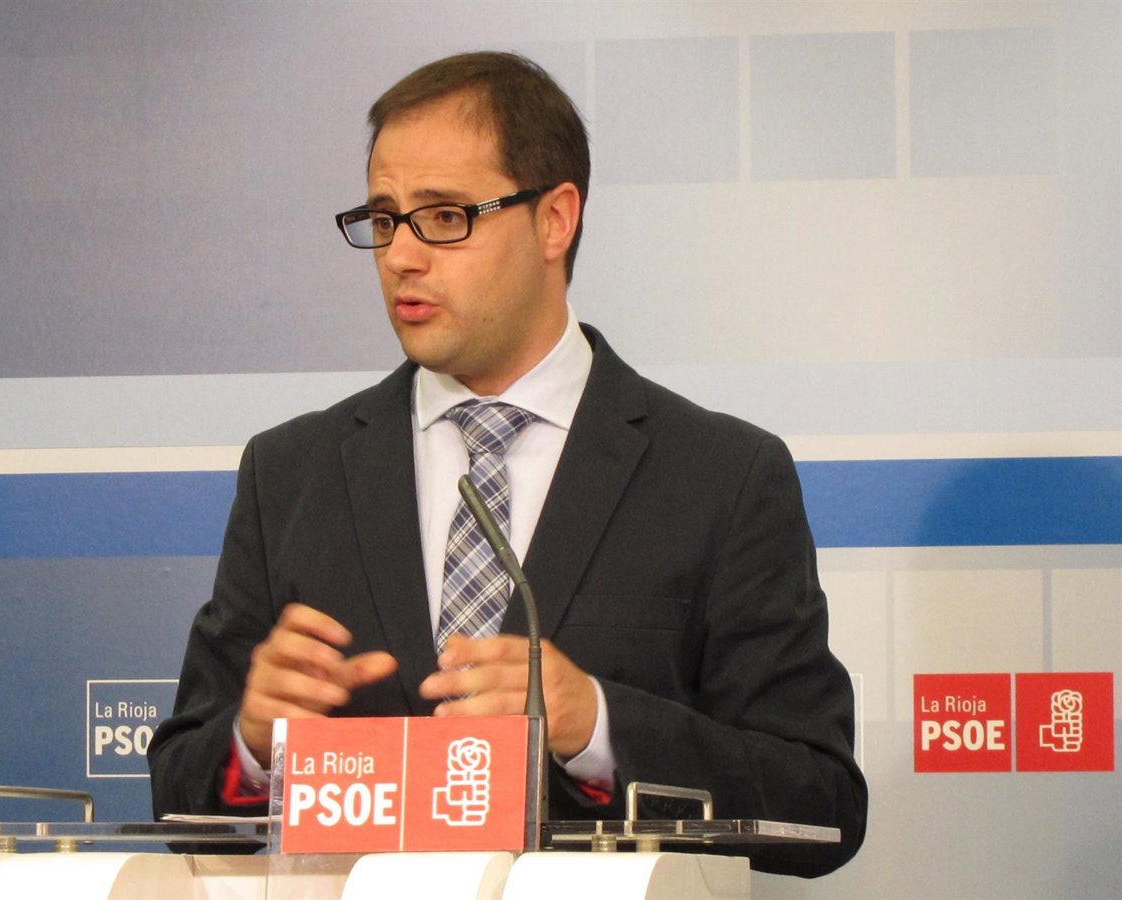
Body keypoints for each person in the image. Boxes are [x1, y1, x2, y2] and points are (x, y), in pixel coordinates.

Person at [149, 50, 867, 876]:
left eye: (444, 216)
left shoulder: (721, 476)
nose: (401, 255)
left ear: (555, 220)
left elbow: (821, 803)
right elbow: (179, 790)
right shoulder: (290, 474)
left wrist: (595, 723)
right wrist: (251, 742)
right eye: (384, 218)